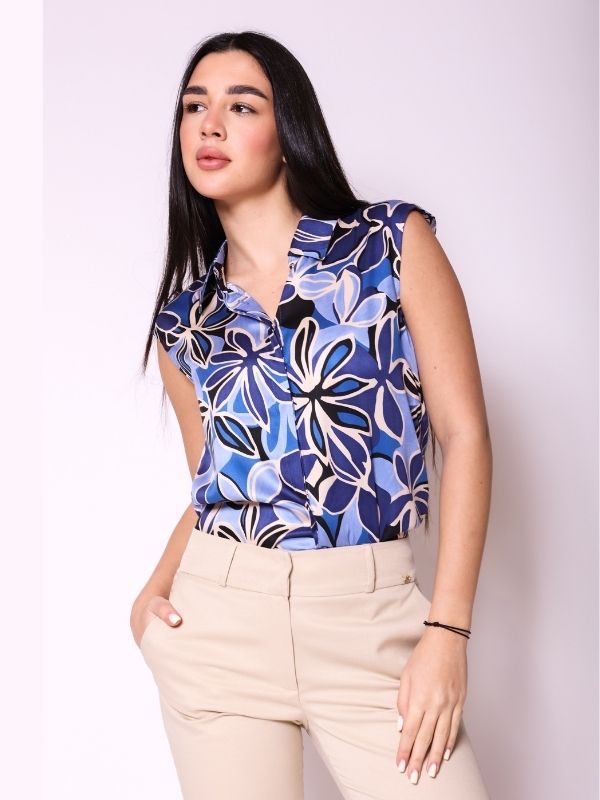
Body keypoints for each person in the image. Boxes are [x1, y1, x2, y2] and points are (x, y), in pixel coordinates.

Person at [130, 30, 492, 800]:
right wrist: (151, 597)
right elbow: (213, 488)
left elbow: (463, 435)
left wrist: (448, 632)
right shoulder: (185, 323)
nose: (209, 124)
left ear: (288, 131)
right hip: (220, 632)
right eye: (194, 106)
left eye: (241, 106)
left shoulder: (389, 245)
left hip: (371, 622)